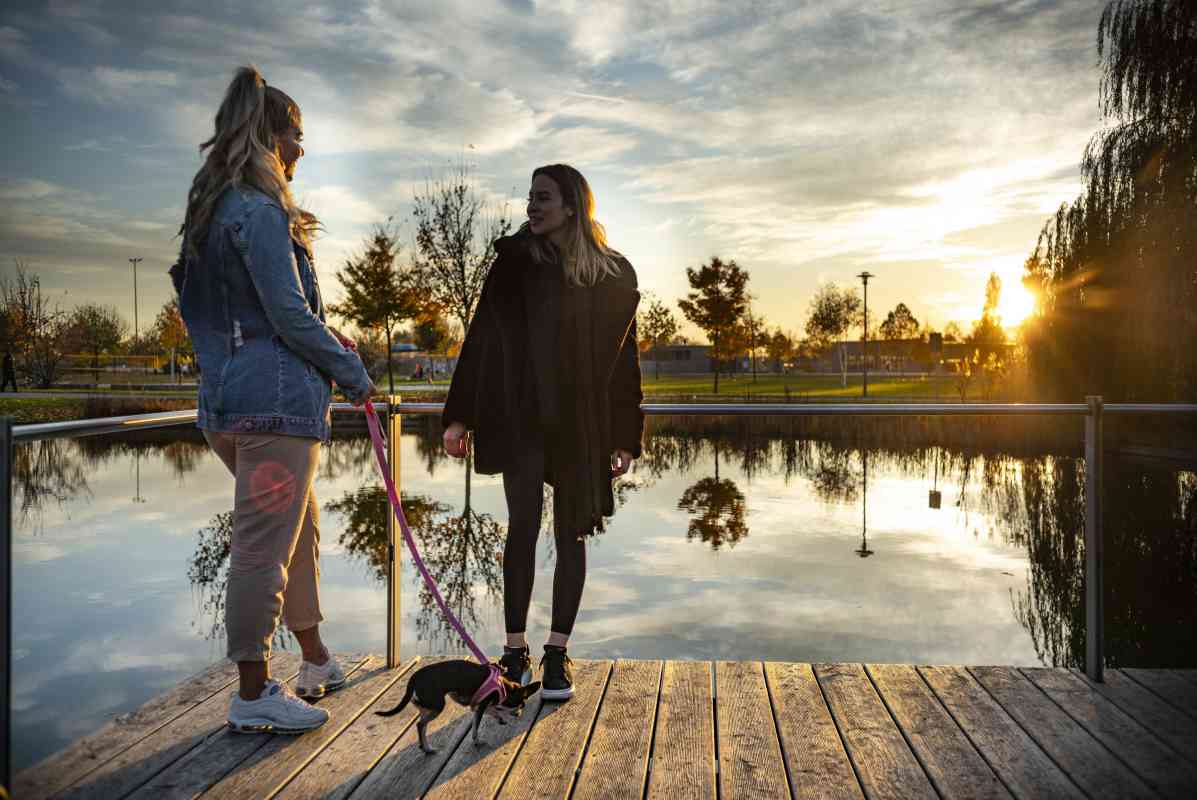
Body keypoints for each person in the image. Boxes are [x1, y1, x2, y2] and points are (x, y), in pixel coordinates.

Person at [171, 66, 375, 734]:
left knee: (299, 527)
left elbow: (246, 310)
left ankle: (314, 658)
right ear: (270, 135)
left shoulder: (211, 209)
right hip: (275, 408)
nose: (302, 149)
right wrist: (350, 369)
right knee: (264, 544)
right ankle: (254, 692)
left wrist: (322, 332)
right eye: (297, 134)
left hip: (228, 404)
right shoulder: (259, 209)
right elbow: (286, 314)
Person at [442, 164, 644, 702]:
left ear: (573, 206)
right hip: (520, 415)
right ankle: (514, 651)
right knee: (522, 527)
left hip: (581, 424)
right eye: (530, 197)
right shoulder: (512, 264)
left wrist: (626, 435)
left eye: (543, 198)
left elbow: (626, 361)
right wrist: (458, 415)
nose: (532, 206)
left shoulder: (610, 273)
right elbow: (481, 338)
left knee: (571, 531)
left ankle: (557, 653)